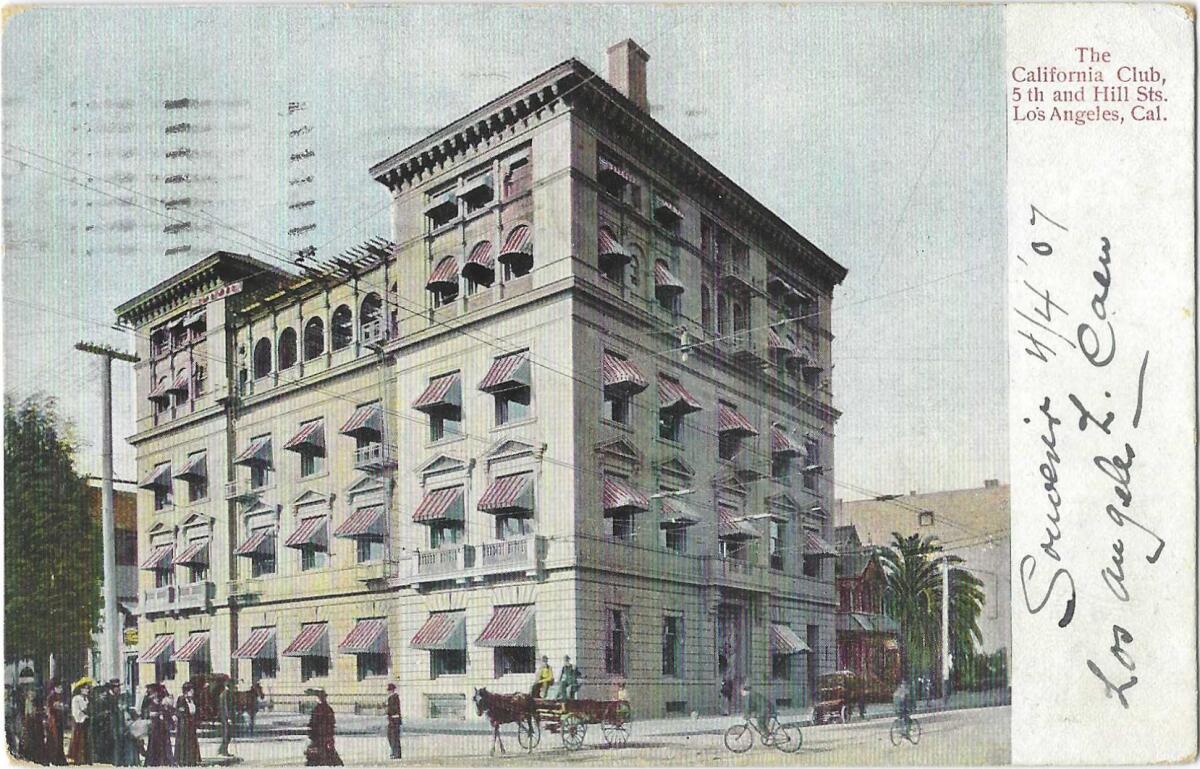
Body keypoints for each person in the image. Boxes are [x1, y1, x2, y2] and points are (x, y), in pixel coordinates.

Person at [304, 689, 341, 766]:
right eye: (319, 697)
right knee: (320, 751)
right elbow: (313, 722)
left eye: (321, 697)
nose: (320, 698)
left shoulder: (326, 709)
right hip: (319, 735)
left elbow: (331, 722)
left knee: (326, 751)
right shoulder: (319, 708)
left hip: (323, 735)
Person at [144, 684, 174, 767]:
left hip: (162, 725)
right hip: (154, 725)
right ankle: (153, 761)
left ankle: (164, 760)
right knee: (153, 742)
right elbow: (145, 712)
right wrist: (154, 714)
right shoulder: (148, 700)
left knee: (164, 742)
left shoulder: (162, 701)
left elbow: (167, 711)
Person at [174, 682, 201, 766]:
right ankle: (182, 760)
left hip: (191, 724)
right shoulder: (181, 699)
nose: (193, 692)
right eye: (191, 690)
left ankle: (192, 760)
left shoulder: (193, 700)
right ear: (186, 691)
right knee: (184, 742)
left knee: (192, 742)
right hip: (184, 724)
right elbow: (180, 712)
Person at [67, 679, 93, 765]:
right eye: (85, 688)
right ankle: (78, 758)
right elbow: (76, 711)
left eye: (88, 688)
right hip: (79, 722)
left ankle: (86, 758)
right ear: (81, 689)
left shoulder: (87, 699)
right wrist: (83, 714)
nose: (87, 690)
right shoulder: (76, 699)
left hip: (86, 721)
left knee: (86, 740)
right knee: (79, 739)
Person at [45, 679, 68, 765]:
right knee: (54, 739)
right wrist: (57, 707)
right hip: (53, 720)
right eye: (59, 687)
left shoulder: (61, 696)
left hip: (59, 720)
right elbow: (49, 709)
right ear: (54, 688)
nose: (61, 689)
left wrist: (63, 707)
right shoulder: (51, 697)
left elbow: (65, 707)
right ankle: (53, 758)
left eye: (61, 687)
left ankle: (60, 758)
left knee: (60, 739)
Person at [23, 693, 48, 764]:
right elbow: (27, 714)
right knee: (31, 740)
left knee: (38, 739)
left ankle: (38, 756)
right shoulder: (27, 702)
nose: (31, 695)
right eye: (30, 693)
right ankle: (32, 756)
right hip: (31, 725)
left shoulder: (37, 704)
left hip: (37, 725)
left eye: (33, 693)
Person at [214, 676, 235, 757]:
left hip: (225, 717)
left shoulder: (226, 693)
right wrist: (228, 717)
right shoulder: (225, 694)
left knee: (228, 734)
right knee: (226, 734)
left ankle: (223, 750)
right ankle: (223, 751)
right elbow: (225, 707)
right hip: (225, 717)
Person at [385, 683, 402, 760]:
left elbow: (393, 709)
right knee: (392, 736)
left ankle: (396, 753)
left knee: (393, 737)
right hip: (393, 720)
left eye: (389, 690)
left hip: (394, 720)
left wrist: (387, 710)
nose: (388, 692)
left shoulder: (393, 697)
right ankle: (395, 752)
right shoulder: (393, 697)